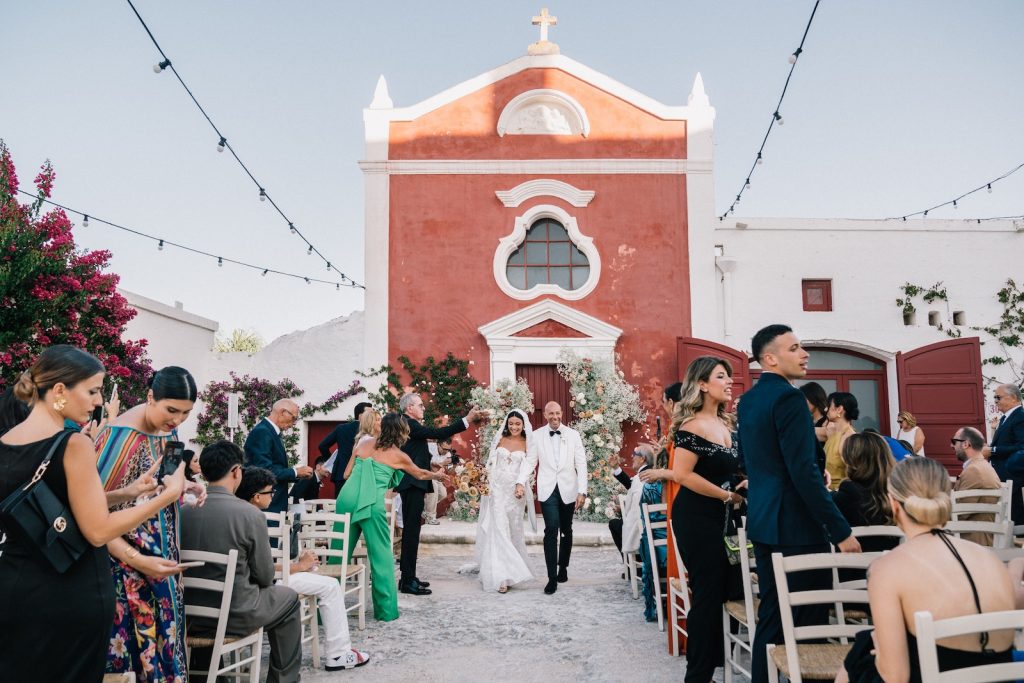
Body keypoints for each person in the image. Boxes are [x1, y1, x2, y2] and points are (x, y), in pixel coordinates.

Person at [0, 346, 186, 683]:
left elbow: (50, 503)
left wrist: (126, 493)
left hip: (15, 587)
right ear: (59, 390)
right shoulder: (73, 444)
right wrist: (166, 496)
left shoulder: (6, 441)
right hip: (71, 591)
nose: (98, 401)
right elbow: (97, 530)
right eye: (92, 390)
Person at [738, 325, 860, 683]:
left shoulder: (749, 400)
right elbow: (801, 471)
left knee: (773, 617)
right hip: (796, 526)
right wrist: (840, 530)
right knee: (807, 621)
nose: (805, 353)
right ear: (771, 358)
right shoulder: (789, 398)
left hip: (764, 520)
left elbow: (748, 458)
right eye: (795, 348)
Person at [838, 457, 1014, 683]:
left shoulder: (888, 568)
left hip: (934, 675)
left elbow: (896, 678)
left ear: (893, 504)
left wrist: (880, 647)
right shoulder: (990, 559)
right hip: (997, 676)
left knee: (860, 652)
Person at [95, 365, 205, 680]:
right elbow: (94, 511)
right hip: (125, 565)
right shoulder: (120, 437)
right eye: (172, 410)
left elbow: (166, 475)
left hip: (161, 556)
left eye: (185, 414)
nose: (177, 420)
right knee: (133, 659)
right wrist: (137, 560)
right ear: (150, 396)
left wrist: (185, 485)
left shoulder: (168, 429)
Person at [641, 356, 741, 678]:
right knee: (708, 594)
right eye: (722, 377)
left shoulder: (727, 425)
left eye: (730, 377)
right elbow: (683, 475)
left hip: (723, 516)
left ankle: (719, 661)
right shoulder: (691, 425)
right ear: (702, 384)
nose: (729, 382)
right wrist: (727, 495)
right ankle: (697, 674)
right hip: (696, 517)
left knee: (728, 590)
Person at [179, 441, 303, 683]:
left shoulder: (184, 511)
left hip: (189, 613)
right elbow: (266, 576)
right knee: (288, 598)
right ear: (236, 471)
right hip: (236, 614)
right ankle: (283, 680)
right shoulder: (250, 513)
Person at [236, 466, 370, 670]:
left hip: (242, 587)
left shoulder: (237, 515)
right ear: (255, 497)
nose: (273, 495)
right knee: (331, 585)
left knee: (314, 575)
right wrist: (300, 566)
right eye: (270, 491)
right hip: (261, 589)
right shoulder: (255, 519)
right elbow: (265, 572)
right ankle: (338, 654)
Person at [337, 412, 445, 620]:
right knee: (381, 558)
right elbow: (420, 474)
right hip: (371, 503)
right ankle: (386, 612)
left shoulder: (363, 442)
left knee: (338, 554)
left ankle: (324, 611)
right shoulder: (398, 455)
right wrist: (436, 475)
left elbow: (346, 474)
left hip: (346, 499)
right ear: (401, 432)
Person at [395, 393, 483, 596]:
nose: (423, 408)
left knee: (413, 531)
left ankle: (409, 577)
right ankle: (407, 581)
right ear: (409, 408)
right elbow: (437, 432)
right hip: (412, 483)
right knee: (411, 533)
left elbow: (415, 453)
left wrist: (433, 464)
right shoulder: (409, 423)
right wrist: (467, 420)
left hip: (413, 483)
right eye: (420, 405)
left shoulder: (409, 425)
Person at [516, 401, 588, 595]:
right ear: (545, 415)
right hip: (548, 489)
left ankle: (563, 566)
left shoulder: (573, 435)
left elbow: (581, 463)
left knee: (566, 529)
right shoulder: (537, 436)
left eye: (558, 413)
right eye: (551, 414)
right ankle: (551, 578)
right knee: (551, 529)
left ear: (562, 413)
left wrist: (583, 490)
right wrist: (520, 481)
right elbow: (531, 461)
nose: (555, 417)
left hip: (569, 488)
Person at [474, 410, 534, 593]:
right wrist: (485, 479)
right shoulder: (499, 439)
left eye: (518, 424)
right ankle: (501, 577)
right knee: (498, 529)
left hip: (516, 493)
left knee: (513, 531)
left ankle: (512, 571)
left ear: (523, 425)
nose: (514, 427)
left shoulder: (528, 443)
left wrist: (520, 483)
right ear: (506, 424)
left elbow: (529, 464)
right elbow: (490, 463)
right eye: (511, 424)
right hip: (497, 489)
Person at [832, 433, 899, 552]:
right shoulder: (899, 491)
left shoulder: (849, 491)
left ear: (852, 461)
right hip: (895, 564)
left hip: (856, 566)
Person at [244, 399, 313, 513]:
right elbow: (264, 470)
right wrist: (295, 472)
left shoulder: (270, 432)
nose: (294, 423)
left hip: (274, 502)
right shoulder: (262, 432)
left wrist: (297, 474)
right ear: (282, 412)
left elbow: (274, 466)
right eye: (294, 418)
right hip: (267, 504)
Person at [952, 426, 1002, 546]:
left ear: (966, 444)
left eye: (954, 442)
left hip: (972, 541)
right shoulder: (981, 465)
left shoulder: (974, 470)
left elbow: (960, 513)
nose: (952, 446)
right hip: (978, 536)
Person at [984, 384, 1024, 523]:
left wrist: (993, 450)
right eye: (994, 397)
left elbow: (1022, 445)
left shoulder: (1020, 416)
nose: (995, 401)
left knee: (1014, 516)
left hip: (1012, 473)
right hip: (1002, 473)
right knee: (1007, 514)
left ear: (1013, 398)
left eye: (998, 397)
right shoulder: (1005, 417)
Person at [319, 401, 373, 490]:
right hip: (361, 474)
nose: (372, 417)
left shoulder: (341, 428)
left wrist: (334, 462)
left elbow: (322, 446)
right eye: (370, 414)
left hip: (341, 473)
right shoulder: (371, 431)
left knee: (340, 503)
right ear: (360, 416)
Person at [608, 445, 652, 554]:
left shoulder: (642, 476)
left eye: (634, 455)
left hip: (640, 527)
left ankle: (630, 565)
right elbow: (631, 485)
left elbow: (629, 510)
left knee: (614, 524)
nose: (632, 457)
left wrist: (622, 510)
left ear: (642, 459)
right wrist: (616, 468)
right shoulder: (652, 473)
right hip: (652, 523)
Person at [824, 391, 859, 490]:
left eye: (829, 405)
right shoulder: (831, 432)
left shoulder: (848, 438)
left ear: (839, 409)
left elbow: (853, 476)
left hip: (839, 496)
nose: (826, 409)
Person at [798, 381, 828, 474]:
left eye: (804, 399)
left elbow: (827, 433)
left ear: (814, 398)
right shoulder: (807, 421)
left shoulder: (827, 421)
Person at [423, 438, 454, 525]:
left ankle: (423, 508)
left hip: (437, 477)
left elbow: (450, 470)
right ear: (438, 445)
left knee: (443, 494)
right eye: (444, 449)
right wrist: (443, 463)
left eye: (448, 449)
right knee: (433, 488)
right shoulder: (429, 448)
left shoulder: (448, 453)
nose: (446, 451)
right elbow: (429, 464)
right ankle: (431, 517)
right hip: (426, 475)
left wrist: (455, 466)